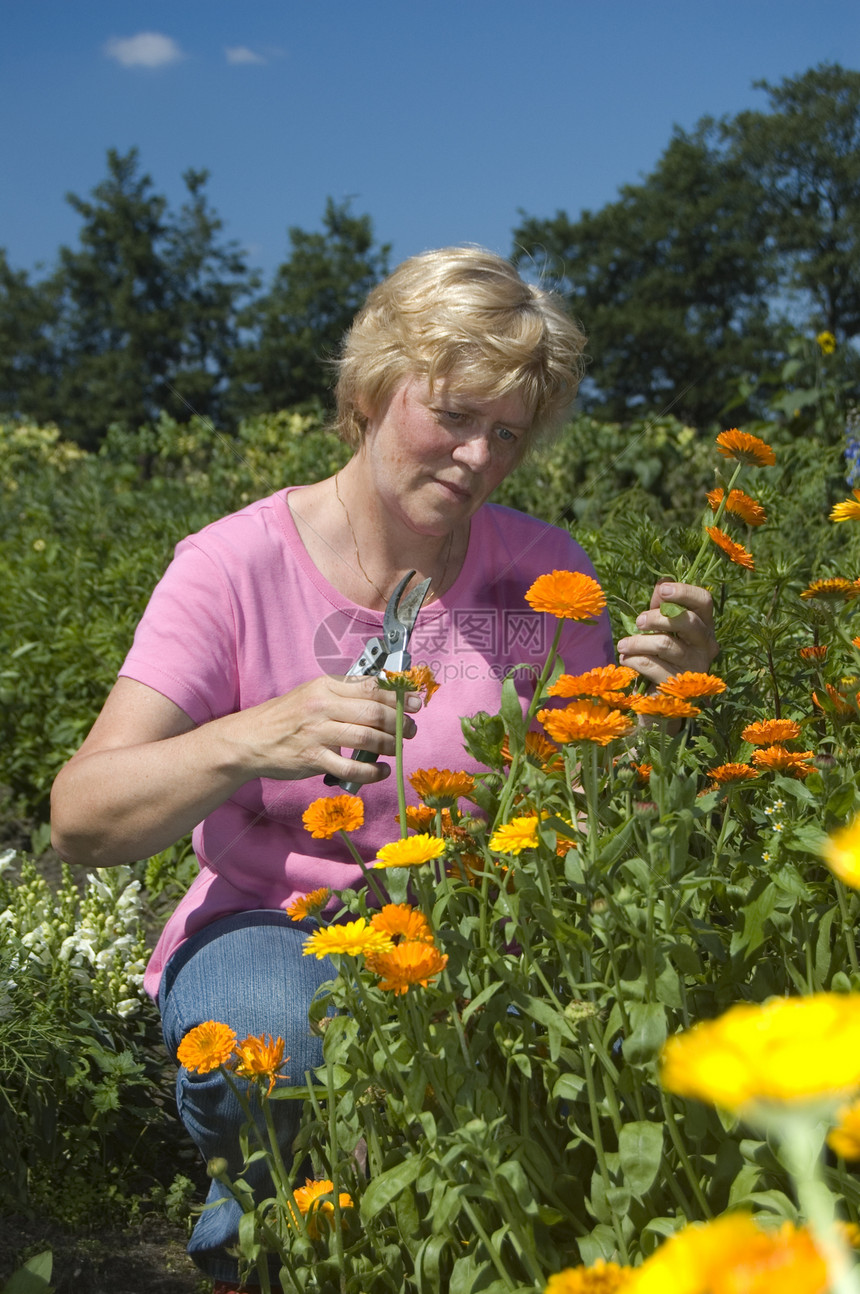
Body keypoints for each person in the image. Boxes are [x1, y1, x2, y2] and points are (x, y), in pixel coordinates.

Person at [50, 247, 718, 1290]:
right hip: (277, 927)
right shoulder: (231, 565)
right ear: (370, 389)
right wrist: (250, 737)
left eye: (505, 434)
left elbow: (594, 816)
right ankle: (274, 1258)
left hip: (487, 934)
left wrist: (666, 713)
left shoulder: (547, 576)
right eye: (452, 414)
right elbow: (80, 820)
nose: (474, 456)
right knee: (282, 1049)